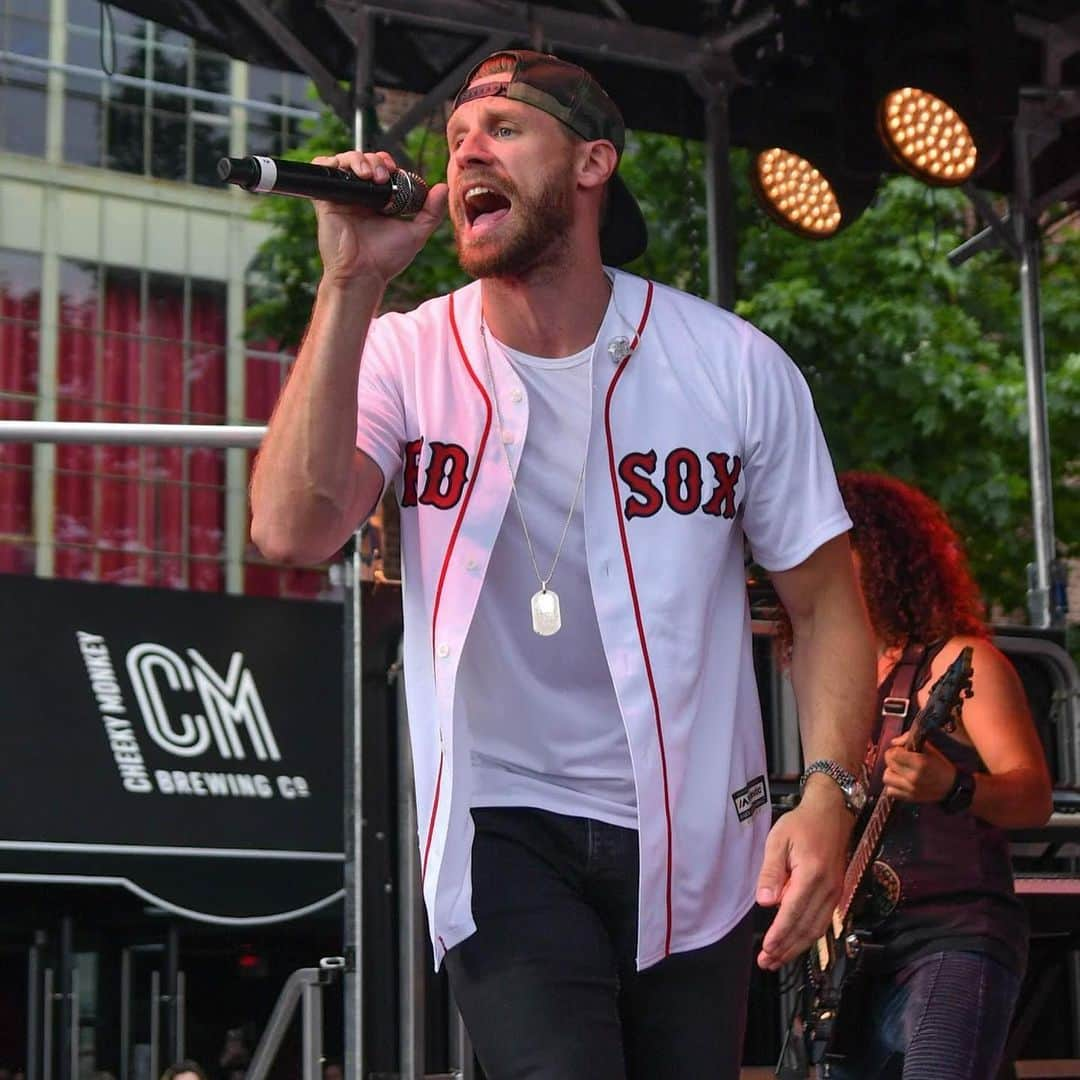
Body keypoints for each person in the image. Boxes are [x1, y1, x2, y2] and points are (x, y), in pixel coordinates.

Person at [250, 48, 876, 1079]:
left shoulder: (730, 364)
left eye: (501, 129)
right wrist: (349, 280)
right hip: (504, 829)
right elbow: (291, 530)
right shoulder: (407, 354)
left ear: (591, 164)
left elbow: (830, 602)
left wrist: (828, 795)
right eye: (454, 140)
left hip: (699, 842)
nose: (465, 154)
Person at [779, 472, 1053, 1080]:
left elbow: (1033, 796)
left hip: (952, 934)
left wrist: (953, 786)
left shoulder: (963, 661)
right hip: (853, 960)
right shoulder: (836, 687)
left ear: (876, 557)